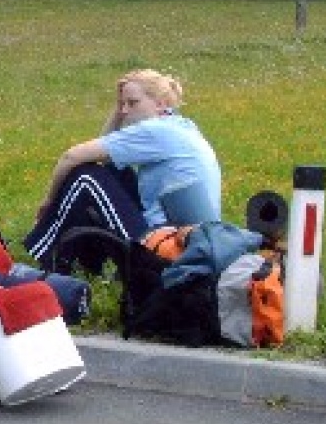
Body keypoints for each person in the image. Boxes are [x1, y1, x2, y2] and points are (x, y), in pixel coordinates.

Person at [24, 68, 222, 271]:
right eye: (122, 105)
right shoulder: (182, 125)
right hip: (194, 242)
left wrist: (48, 201)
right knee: (114, 170)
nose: (125, 111)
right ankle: (82, 261)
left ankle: (41, 249)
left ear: (160, 103)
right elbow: (102, 146)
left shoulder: (154, 131)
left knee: (86, 177)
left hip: (168, 249)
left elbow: (71, 157)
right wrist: (120, 109)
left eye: (133, 103)